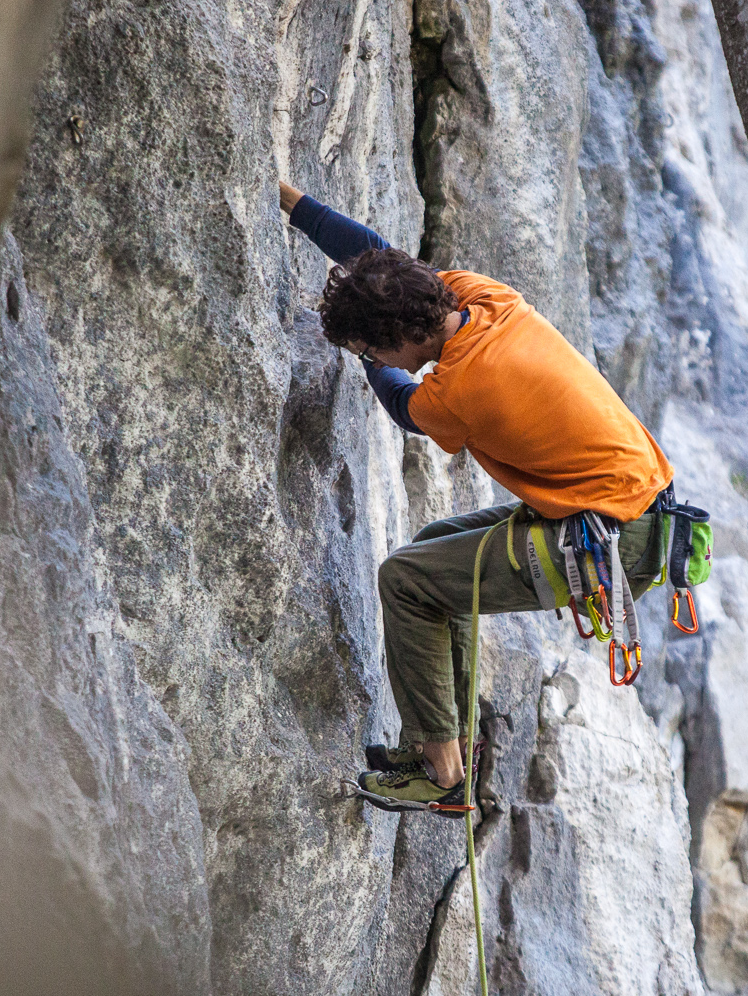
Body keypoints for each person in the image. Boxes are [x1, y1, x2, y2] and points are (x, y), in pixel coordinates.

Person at [279, 180, 674, 813]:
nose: (379, 356)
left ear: (397, 337)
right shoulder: (482, 296)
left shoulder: (462, 387)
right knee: (436, 551)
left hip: (606, 541)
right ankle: (450, 747)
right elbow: (378, 255)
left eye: (378, 345)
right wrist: (293, 204)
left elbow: (406, 405)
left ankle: (438, 773)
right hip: (627, 510)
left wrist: (365, 357)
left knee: (406, 580)